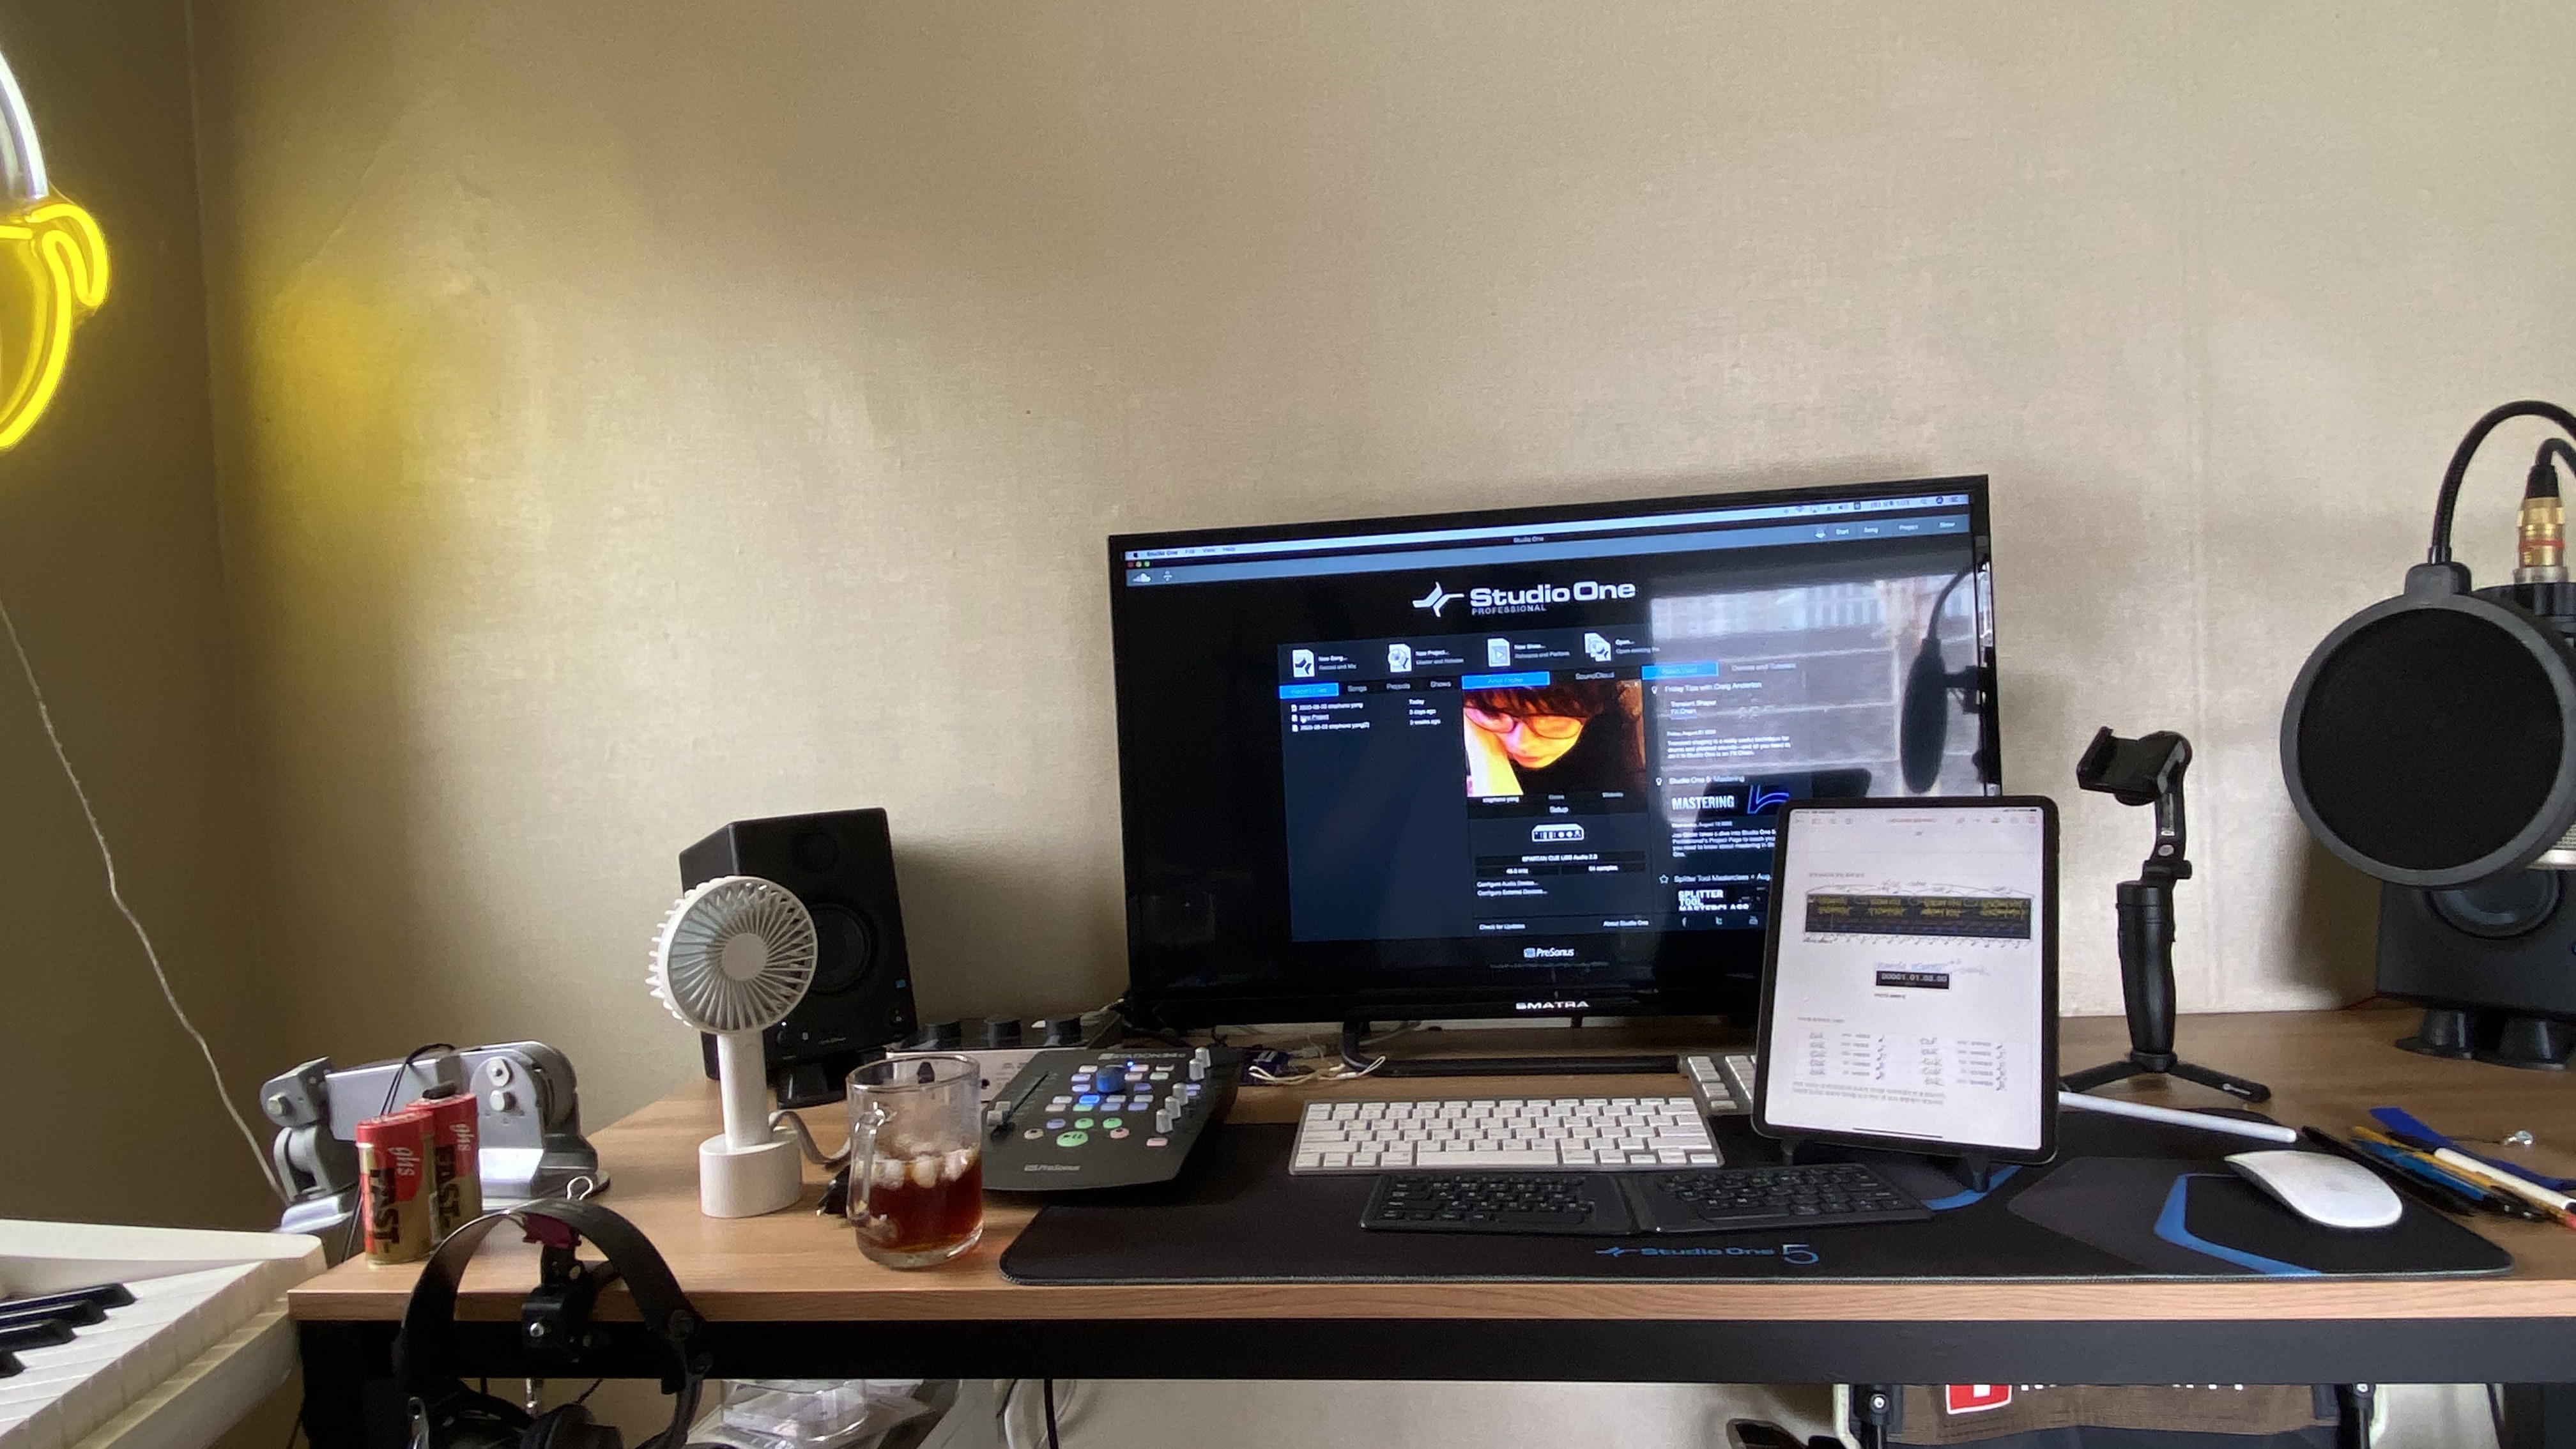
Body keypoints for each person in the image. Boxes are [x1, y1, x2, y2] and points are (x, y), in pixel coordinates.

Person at [1462, 681, 1645, 798]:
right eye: (1493, 714)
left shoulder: (1619, 736)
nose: (1522, 743)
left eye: (1549, 721)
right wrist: (1485, 755)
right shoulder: (1466, 723)